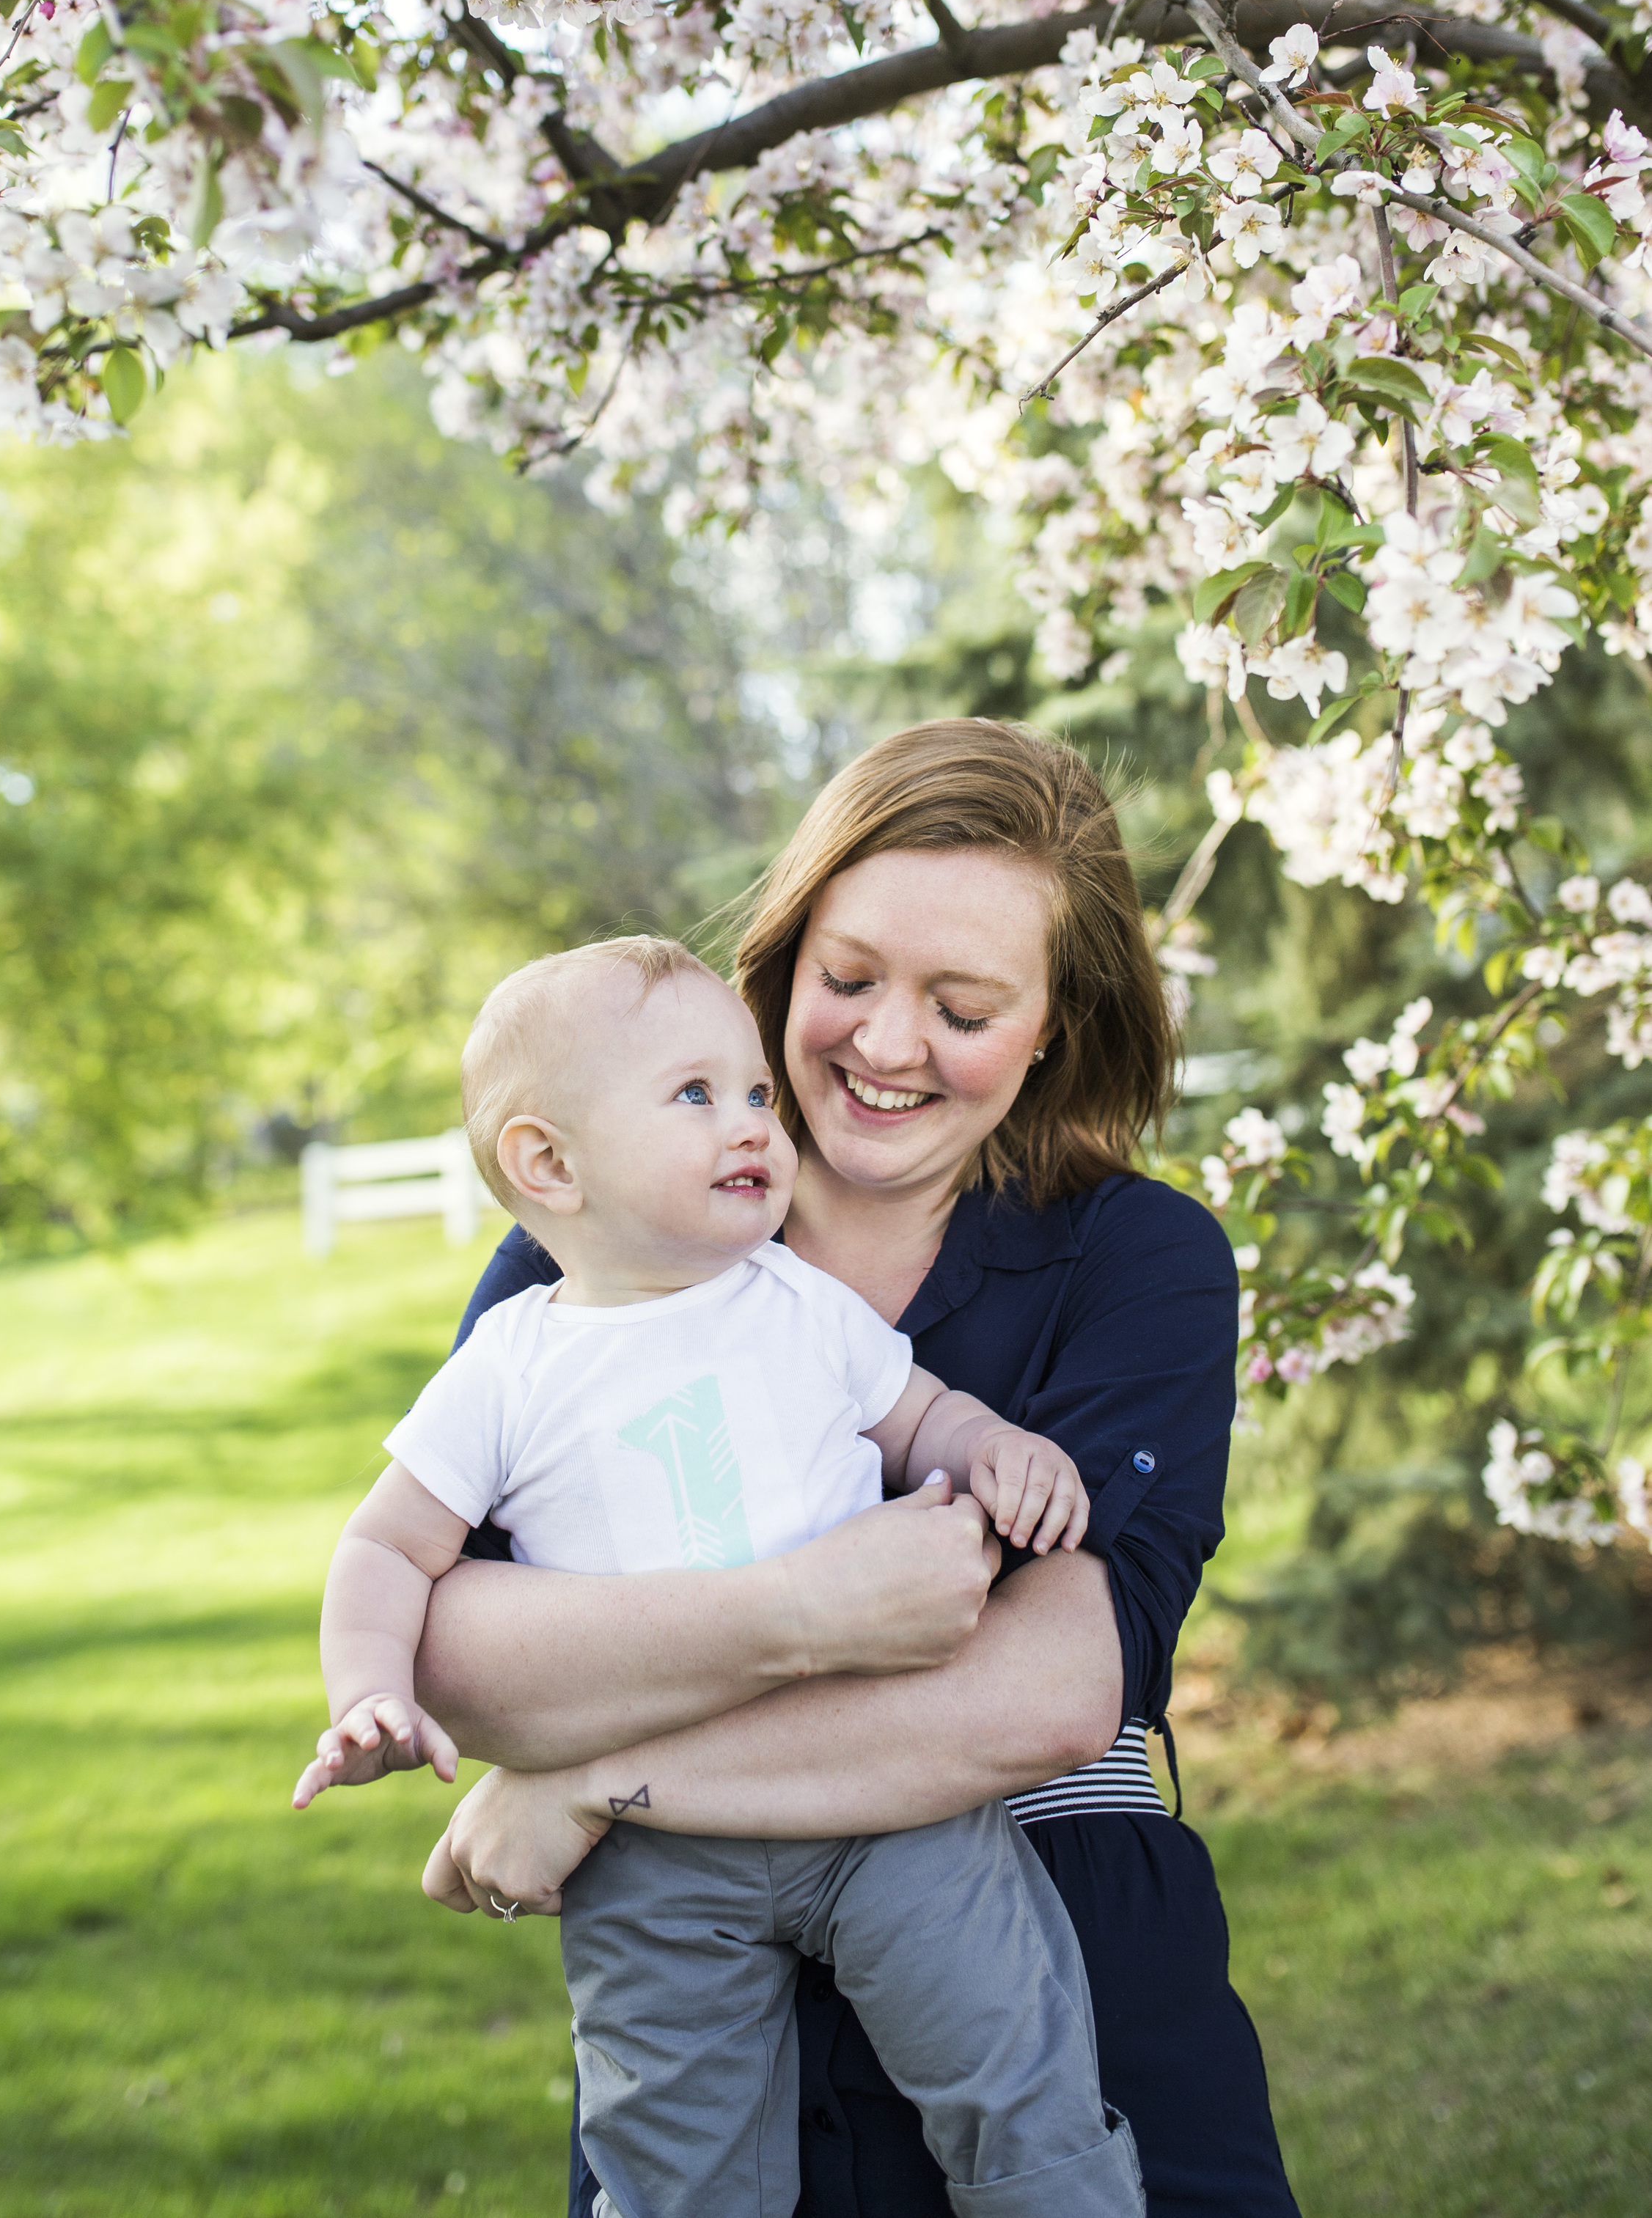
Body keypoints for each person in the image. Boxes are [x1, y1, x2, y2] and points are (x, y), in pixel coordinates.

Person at [412, 721, 1302, 2218]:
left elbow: (1042, 1690)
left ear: (1049, 1028)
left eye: (961, 1006)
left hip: (1059, 1971)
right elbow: (462, 1652)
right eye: (847, 981)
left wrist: (596, 1783)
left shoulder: (1134, 1261)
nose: (886, 1048)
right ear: (779, 963)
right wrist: (809, 1615)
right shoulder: (586, 1263)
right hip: (701, 2017)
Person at [295, 934, 1145, 2218]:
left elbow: (921, 1415)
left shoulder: (791, 1300)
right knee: (674, 2148)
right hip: (653, 1855)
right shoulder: (508, 1369)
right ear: (549, 1163)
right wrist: (369, 1687)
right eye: (695, 1095)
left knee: (1010, 2060)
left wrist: (1000, 1448)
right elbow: (384, 1548)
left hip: (881, 1789)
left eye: (753, 1091)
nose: (752, 1120)